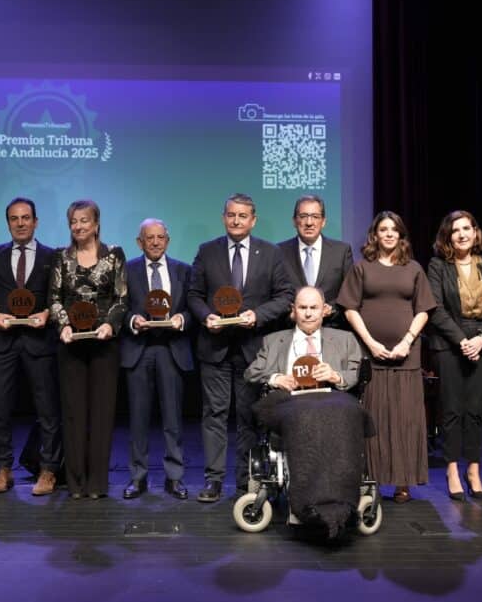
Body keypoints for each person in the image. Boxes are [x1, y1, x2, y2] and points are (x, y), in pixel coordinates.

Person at [187, 192, 294, 503]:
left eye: (242, 216)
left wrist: (257, 316)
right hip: (214, 347)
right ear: (223, 218)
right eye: (231, 215)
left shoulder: (271, 253)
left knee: (248, 417)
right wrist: (206, 316)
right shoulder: (207, 252)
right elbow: (194, 294)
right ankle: (214, 481)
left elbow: (285, 295)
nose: (236, 220)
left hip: (252, 350)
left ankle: (246, 481)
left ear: (253, 220)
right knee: (214, 415)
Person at [244, 285, 366, 537]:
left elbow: (356, 374)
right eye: (303, 308)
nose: (308, 314)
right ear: (293, 311)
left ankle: (338, 500)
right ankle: (303, 501)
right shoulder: (274, 341)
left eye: (314, 308)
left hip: (332, 402)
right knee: (304, 418)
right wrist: (277, 377)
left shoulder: (344, 340)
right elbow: (251, 372)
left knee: (337, 414)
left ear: (324, 311)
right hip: (291, 403)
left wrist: (334, 375)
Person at [337, 211, 435, 503]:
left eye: (394, 229)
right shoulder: (361, 268)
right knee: (375, 417)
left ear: (401, 235)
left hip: (407, 355)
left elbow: (424, 309)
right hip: (372, 354)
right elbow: (350, 307)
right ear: (375, 235)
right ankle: (373, 479)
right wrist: (369, 343)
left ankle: (403, 481)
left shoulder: (414, 268)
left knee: (406, 419)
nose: (389, 234)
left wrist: (406, 341)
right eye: (383, 229)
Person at [0, 197, 62, 496]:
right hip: (2, 342)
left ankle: (48, 470)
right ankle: (3, 469)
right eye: (15, 218)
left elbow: (58, 295)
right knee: (0, 409)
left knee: (47, 410)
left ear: (36, 222)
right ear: (8, 223)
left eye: (26, 218)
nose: (21, 223)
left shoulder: (52, 256)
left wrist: (48, 314)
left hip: (39, 342)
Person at [48, 199, 128, 499]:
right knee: (73, 415)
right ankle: (76, 483)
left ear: (96, 224)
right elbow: (54, 298)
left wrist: (110, 324)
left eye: (84, 220)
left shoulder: (114, 256)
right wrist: (63, 325)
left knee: (102, 415)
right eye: (74, 221)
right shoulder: (61, 258)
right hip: (71, 345)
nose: (79, 226)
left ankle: (97, 484)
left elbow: (121, 298)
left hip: (104, 345)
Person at [425, 210, 482, 501]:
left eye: (466, 228)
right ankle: (453, 469)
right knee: (452, 411)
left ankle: (474, 469)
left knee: (475, 411)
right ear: (447, 236)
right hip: (449, 343)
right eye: (455, 230)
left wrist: (481, 339)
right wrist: (462, 341)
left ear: (475, 232)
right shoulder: (437, 266)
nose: (461, 234)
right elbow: (436, 308)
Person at [119, 218, 193, 500]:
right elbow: (118, 307)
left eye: (160, 237)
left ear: (168, 240)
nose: (155, 242)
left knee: (173, 419)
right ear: (140, 242)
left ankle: (174, 478)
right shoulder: (127, 271)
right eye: (149, 238)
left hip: (171, 349)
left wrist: (181, 319)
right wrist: (131, 320)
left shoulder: (183, 271)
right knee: (138, 419)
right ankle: (138, 478)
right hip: (139, 349)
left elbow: (192, 307)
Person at [277, 194, 354, 328]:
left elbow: (349, 293)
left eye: (315, 217)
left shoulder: (341, 251)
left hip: (331, 329)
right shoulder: (279, 252)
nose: (309, 223)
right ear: (294, 221)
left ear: (323, 221)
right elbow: (276, 293)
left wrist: (331, 310)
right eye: (303, 216)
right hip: (290, 330)